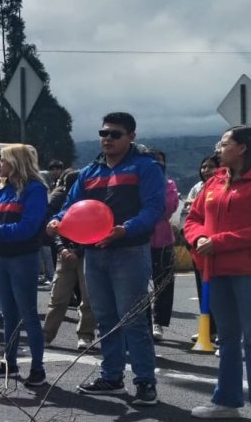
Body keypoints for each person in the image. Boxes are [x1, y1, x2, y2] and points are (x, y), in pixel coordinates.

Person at [50, 112, 165, 407]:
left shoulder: (145, 167)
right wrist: (57, 221)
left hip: (129, 251)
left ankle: (144, 382)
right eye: (104, 133)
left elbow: (154, 210)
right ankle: (112, 377)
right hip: (94, 254)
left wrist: (124, 230)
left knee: (133, 320)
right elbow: (71, 206)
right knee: (105, 319)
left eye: (115, 134)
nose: (107, 139)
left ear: (131, 137)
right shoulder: (90, 172)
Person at [185, 126, 251, 422]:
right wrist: (199, 238)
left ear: (242, 148)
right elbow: (193, 218)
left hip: (250, 271)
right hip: (214, 271)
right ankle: (226, 400)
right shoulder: (214, 182)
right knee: (227, 337)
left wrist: (221, 242)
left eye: (224, 143)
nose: (218, 149)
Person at [0, 147, 48, 384]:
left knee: (28, 315)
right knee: (9, 316)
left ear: (15, 163)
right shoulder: (4, 188)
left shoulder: (35, 189)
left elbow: (29, 226)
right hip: (3, 256)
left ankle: (37, 369)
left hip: (23, 258)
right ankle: (10, 363)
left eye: (2, 160)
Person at [42, 169, 96, 350]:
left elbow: (94, 233)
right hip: (65, 254)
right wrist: (62, 249)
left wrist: (77, 252)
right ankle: (46, 335)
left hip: (85, 253)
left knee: (87, 298)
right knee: (58, 296)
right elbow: (55, 229)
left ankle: (85, 335)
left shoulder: (91, 207)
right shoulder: (63, 205)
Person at [182, 154, 221, 342]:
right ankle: (208, 329)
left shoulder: (225, 185)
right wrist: (196, 238)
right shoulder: (197, 188)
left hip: (218, 246)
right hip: (199, 245)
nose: (206, 170)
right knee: (204, 289)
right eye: (204, 166)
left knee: (221, 292)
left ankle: (223, 331)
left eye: (211, 166)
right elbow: (190, 216)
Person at [145, 151, 180, 341]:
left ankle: (158, 322)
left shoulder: (169, 185)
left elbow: (167, 208)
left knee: (164, 284)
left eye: (160, 161)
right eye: (152, 161)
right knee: (137, 285)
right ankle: (141, 321)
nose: (156, 164)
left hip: (163, 240)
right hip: (138, 240)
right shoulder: (137, 184)